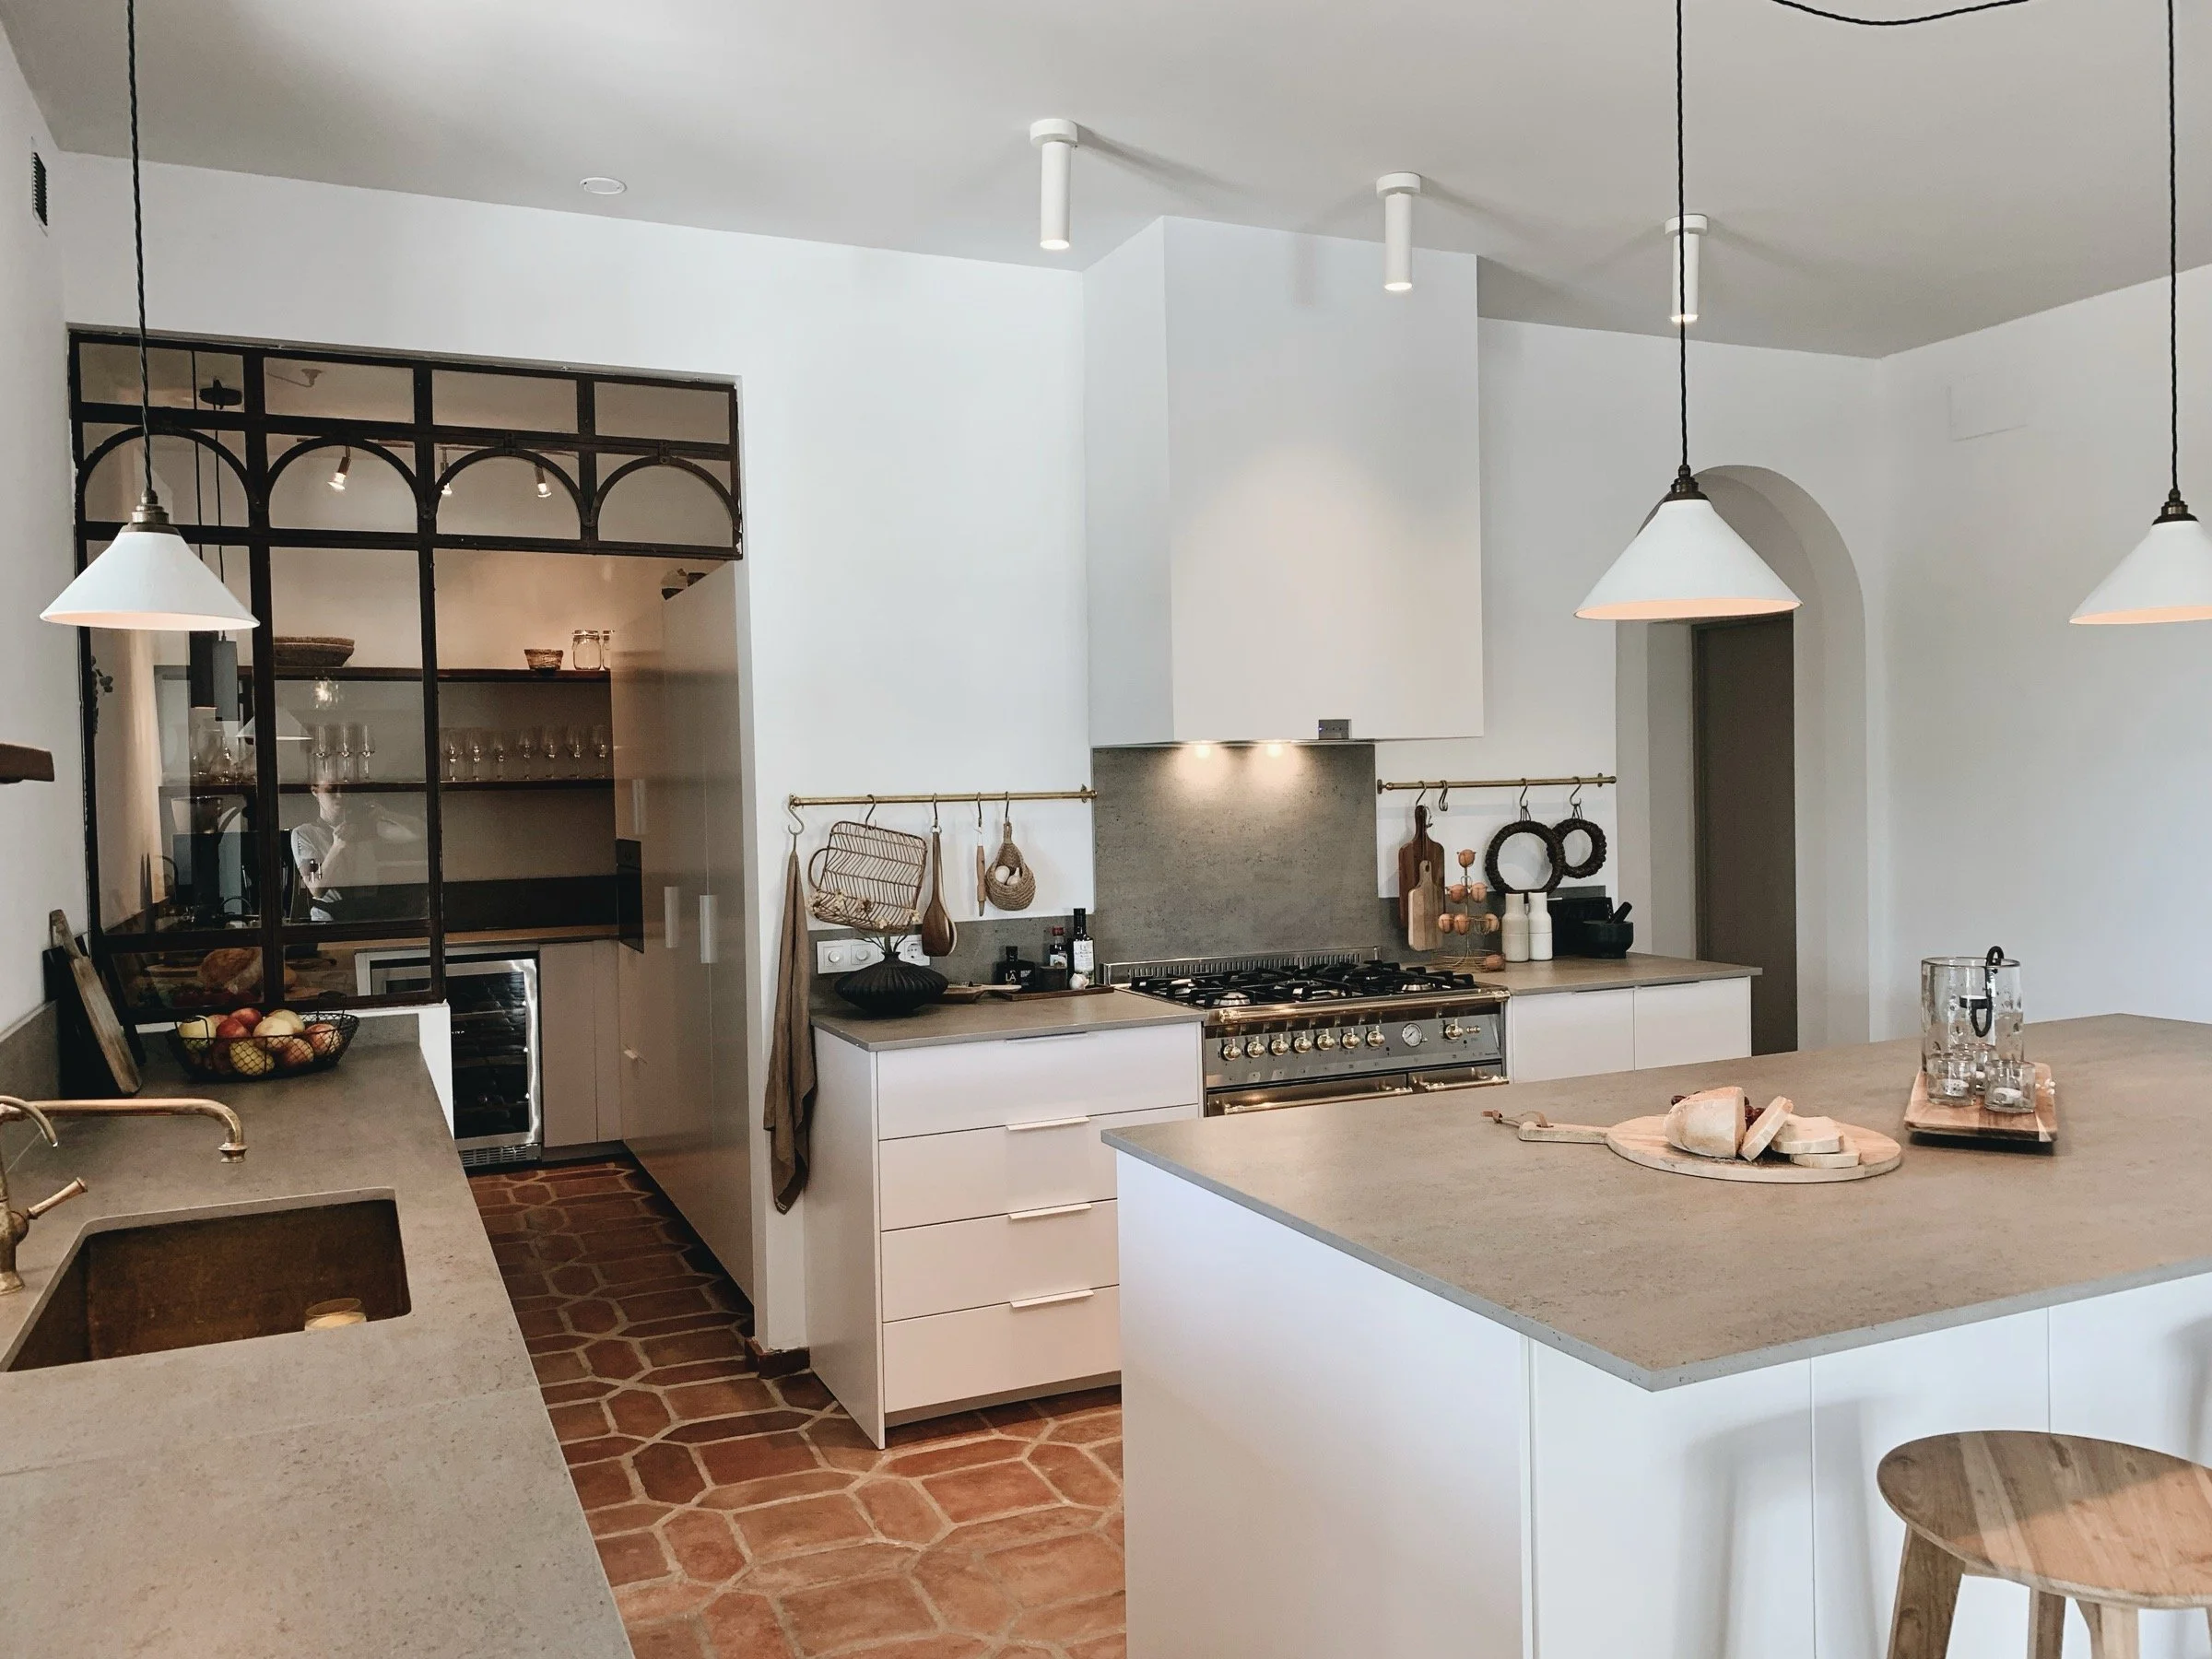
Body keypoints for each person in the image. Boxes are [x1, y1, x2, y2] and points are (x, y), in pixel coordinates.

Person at [290, 773, 425, 924]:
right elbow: (316, 888)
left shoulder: (367, 828)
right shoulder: (306, 834)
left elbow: (422, 832)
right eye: (331, 789)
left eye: (345, 789)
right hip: (328, 920)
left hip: (370, 915)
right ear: (315, 791)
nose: (340, 795)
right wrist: (337, 848)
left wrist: (386, 814)